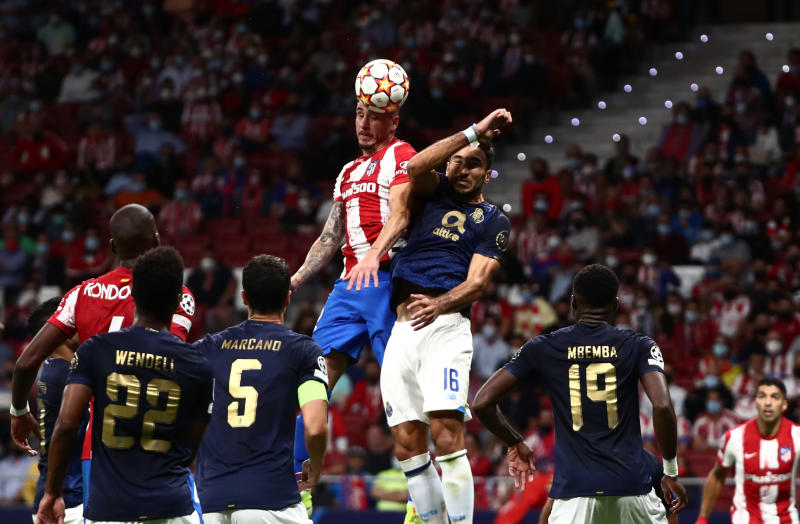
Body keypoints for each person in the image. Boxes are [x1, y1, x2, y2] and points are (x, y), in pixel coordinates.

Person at [11, 204, 196, 506]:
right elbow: (169, 359)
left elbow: (26, 362)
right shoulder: (177, 295)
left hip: (99, 451)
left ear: (111, 246)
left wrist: (19, 411)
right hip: (158, 444)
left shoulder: (80, 294)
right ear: (157, 241)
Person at [473, 264, 688, 523]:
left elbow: (482, 402)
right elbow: (662, 406)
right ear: (616, 305)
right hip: (632, 487)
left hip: (573, 494)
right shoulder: (639, 345)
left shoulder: (543, 346)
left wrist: (515, 441)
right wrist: (671, 471)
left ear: (573, 302)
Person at [380, 108, 513, 524]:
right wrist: (472, 133)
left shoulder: (493, 220)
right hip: (401, 330)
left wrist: (439, 304)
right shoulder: (432, 191)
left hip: (446, 328)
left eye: (474, 164)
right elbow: (414, 166)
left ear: (487, 174)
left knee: (446, 437)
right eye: (457, 161)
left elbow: (478, 283)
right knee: (407, 446)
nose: (462, 170)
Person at [289, 98, 415, 512]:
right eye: (360, 115)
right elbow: (330, 236)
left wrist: (373, 255)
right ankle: (300, 488)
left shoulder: (402, 155)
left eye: (374, 117)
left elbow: (401, 215)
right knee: (313, 378)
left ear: (392, 121)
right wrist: (297, 279)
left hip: (388, 277)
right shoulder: (346, 172)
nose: (363, 123)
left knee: (398, 385)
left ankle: (420, 495)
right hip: (348, 285)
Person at [36, 247, 213, 524]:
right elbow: (192, 444)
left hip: (109, 506)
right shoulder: (197, 363)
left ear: (133, 295)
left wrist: (52, 491)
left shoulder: (95, 350)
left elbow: (67, 425)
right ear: (178, 300)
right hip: (171, 504)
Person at [193, 255, 328, 523]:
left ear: (244, 298)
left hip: (210, 501)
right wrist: (316, 465)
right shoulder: (303, 351)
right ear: (287, 298)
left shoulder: (207, 348)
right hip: (271, 499)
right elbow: (315, 428)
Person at [696, 378, 800, 523]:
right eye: (762, 396)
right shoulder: (735, 437)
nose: (768, 402)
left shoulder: (797, 436)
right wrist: (703, 518)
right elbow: (717, 476)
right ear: (755, 403)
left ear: (784, 404)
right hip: (745, 519)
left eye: (774, 397)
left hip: (786, 520)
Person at [28, 297, 88, 524]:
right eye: (75, 321)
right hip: (68, 503)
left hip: (55, 497)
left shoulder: (53, 370)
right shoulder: (68, 376)